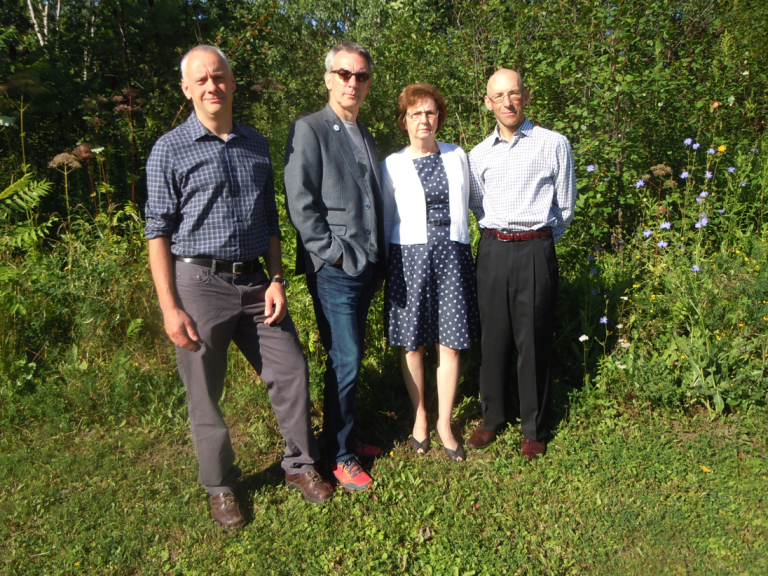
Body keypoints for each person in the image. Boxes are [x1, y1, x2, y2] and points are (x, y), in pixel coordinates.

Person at [145, 45, 332, 528]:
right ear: (186, 89)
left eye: (219, 76)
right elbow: (157, 232)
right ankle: (221, 485)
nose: (212, 86)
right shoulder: (168, 149)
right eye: (201, 80)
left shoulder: (255, 143)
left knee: (290, 368)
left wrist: (276, 279)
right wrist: (169, 307)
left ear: (232, 81)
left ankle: (299, 464)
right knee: (205, 391)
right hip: (198, 283)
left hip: (255, 282)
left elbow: (270, 220)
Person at [284, 42, 385, 491]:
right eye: (344, 73)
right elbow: (301, 205)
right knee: (346, 359)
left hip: (366, 266)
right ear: (328, 78)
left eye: (360, 76)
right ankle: (341, 457)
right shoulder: (310, 129)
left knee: (346, 358)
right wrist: (335, 254)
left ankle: (343, 437)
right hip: (335, 268)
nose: (352, 82)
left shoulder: (363, 133)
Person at [467, 69, 577, 460]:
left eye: (514, 93)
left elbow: (564, 207)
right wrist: (502, 237)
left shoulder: (553, 144)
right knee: (493, 338)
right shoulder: (477, 155)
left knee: (533, 340)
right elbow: (478, 205)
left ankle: (534, 428)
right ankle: (492, 418)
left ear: (525, 96)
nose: (507, 102)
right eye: (499, 96)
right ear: (488, 103)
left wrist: (539, 242)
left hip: (534, 250)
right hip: (493, 251)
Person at [381, 84, 479, 462]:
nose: (424, 119)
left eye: (430, 112)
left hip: (452, 256)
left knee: (450, 342)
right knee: (412, 342)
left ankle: (445, 423)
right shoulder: (391, 164)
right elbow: (388, 218)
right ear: (404, 120)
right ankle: (420, 416)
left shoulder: (458, 156)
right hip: (408, 258)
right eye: (416, 113)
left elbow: (471, 202)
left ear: (439, 118)